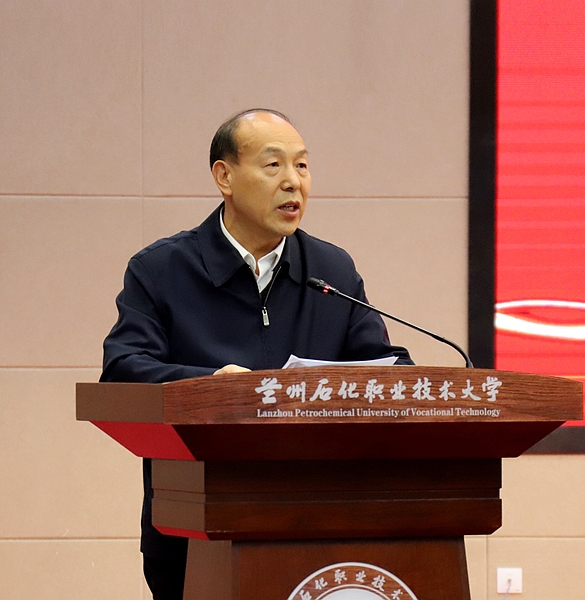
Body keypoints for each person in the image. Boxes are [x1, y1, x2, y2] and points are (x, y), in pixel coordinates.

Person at [100, 108, 412, 600]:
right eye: (273, 165)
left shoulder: (331, 270)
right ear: (224, 176)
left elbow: (385, 369)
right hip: (195, 537)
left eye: (302, 166)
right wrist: (212, 388)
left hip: (322, 529)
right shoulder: (161, 270)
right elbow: (123, 371)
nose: (293, 182)